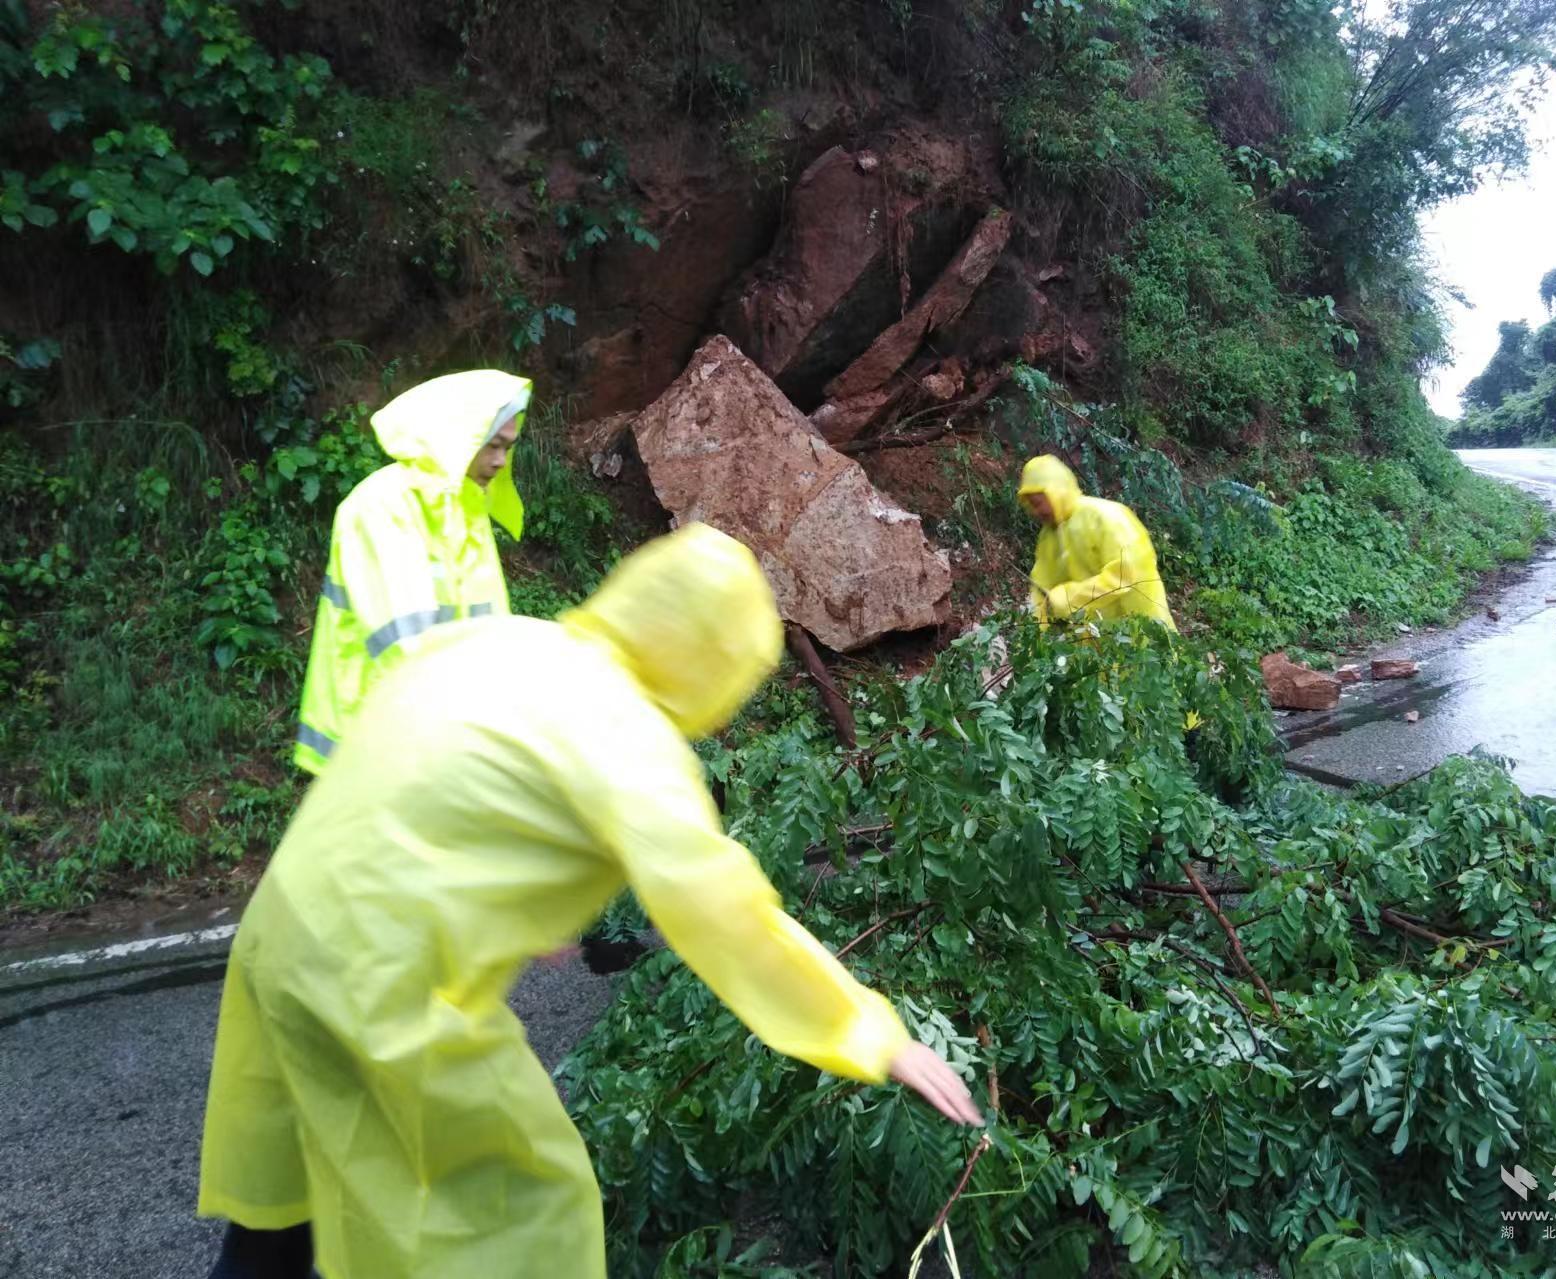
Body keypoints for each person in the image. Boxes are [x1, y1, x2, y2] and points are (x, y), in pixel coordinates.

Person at [198, 523, 983, 1279]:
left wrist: (512, 899)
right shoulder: (629, 737)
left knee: (288, 1202)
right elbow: (724, 910)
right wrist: (868, 1031)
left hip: (281, 934)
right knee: (515, 1214)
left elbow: (427, 778)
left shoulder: (503, 643)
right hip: (383, 980)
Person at [293, 369, 532, 774]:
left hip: (435, 748)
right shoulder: (382, 506)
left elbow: (489, 631)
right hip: (375, 755)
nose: (499, 462)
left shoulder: (465, 511)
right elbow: (405, 645)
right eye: (492, 445)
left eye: (507, 448)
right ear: (461, 438)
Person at [1016, 454, 1176, 629]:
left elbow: (1125, 575)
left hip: (1141, 628)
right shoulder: (1050, 535)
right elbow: (1042, 587)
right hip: (1098, 638)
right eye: (1031, 505)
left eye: (1038, 502)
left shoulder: (1106, 517)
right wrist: (1034, 635)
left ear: (1056, 492)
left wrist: (1068, 598)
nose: (1035, 511)